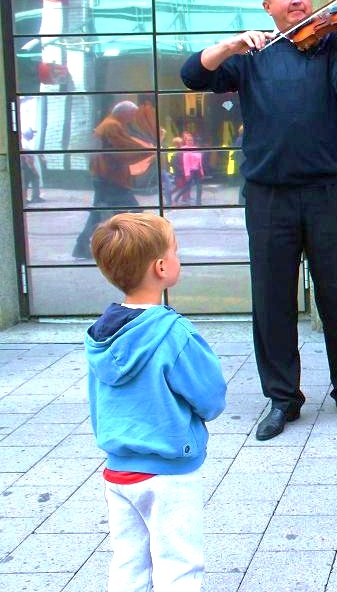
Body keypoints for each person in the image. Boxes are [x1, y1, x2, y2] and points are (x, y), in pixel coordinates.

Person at [180, 0, 337, 440]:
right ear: (268, 7)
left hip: (325, 191)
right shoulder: (253, 55)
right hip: (268, 194)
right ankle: (282, 398)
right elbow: (193, 74)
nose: (297, 0)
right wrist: (231, 45)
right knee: (271, 299)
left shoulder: (333, 44)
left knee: (334, 292)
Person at [85, 213, 227, 592]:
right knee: (179, 566)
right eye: (176, 251)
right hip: (168, 471)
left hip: (118, 470)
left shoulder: (101, 335)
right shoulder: (173, 333)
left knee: (129, 565)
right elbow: (211, 397)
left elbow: (98, 403)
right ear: (161, 267)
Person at [72, 101, 155, 259]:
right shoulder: (113, 126)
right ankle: (134, 248)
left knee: (101, 213)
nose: (132, 119)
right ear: (124, 113)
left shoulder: (110, 124)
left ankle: (83, 245)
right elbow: (124, 148)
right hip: (111, 179)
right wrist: (147, 150)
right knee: (133, 211)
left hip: (105, 177)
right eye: (132, 115)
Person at [20, 127, 44, 203]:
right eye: (32, 133)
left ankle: (28, 198)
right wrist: (33, 168)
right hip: (27, 165)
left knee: (27, 181)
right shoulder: (25, 144)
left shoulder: (25, 142)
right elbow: (27, 157)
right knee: (33, 179)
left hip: (26, 165)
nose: (33, 135)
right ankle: (33, 198)